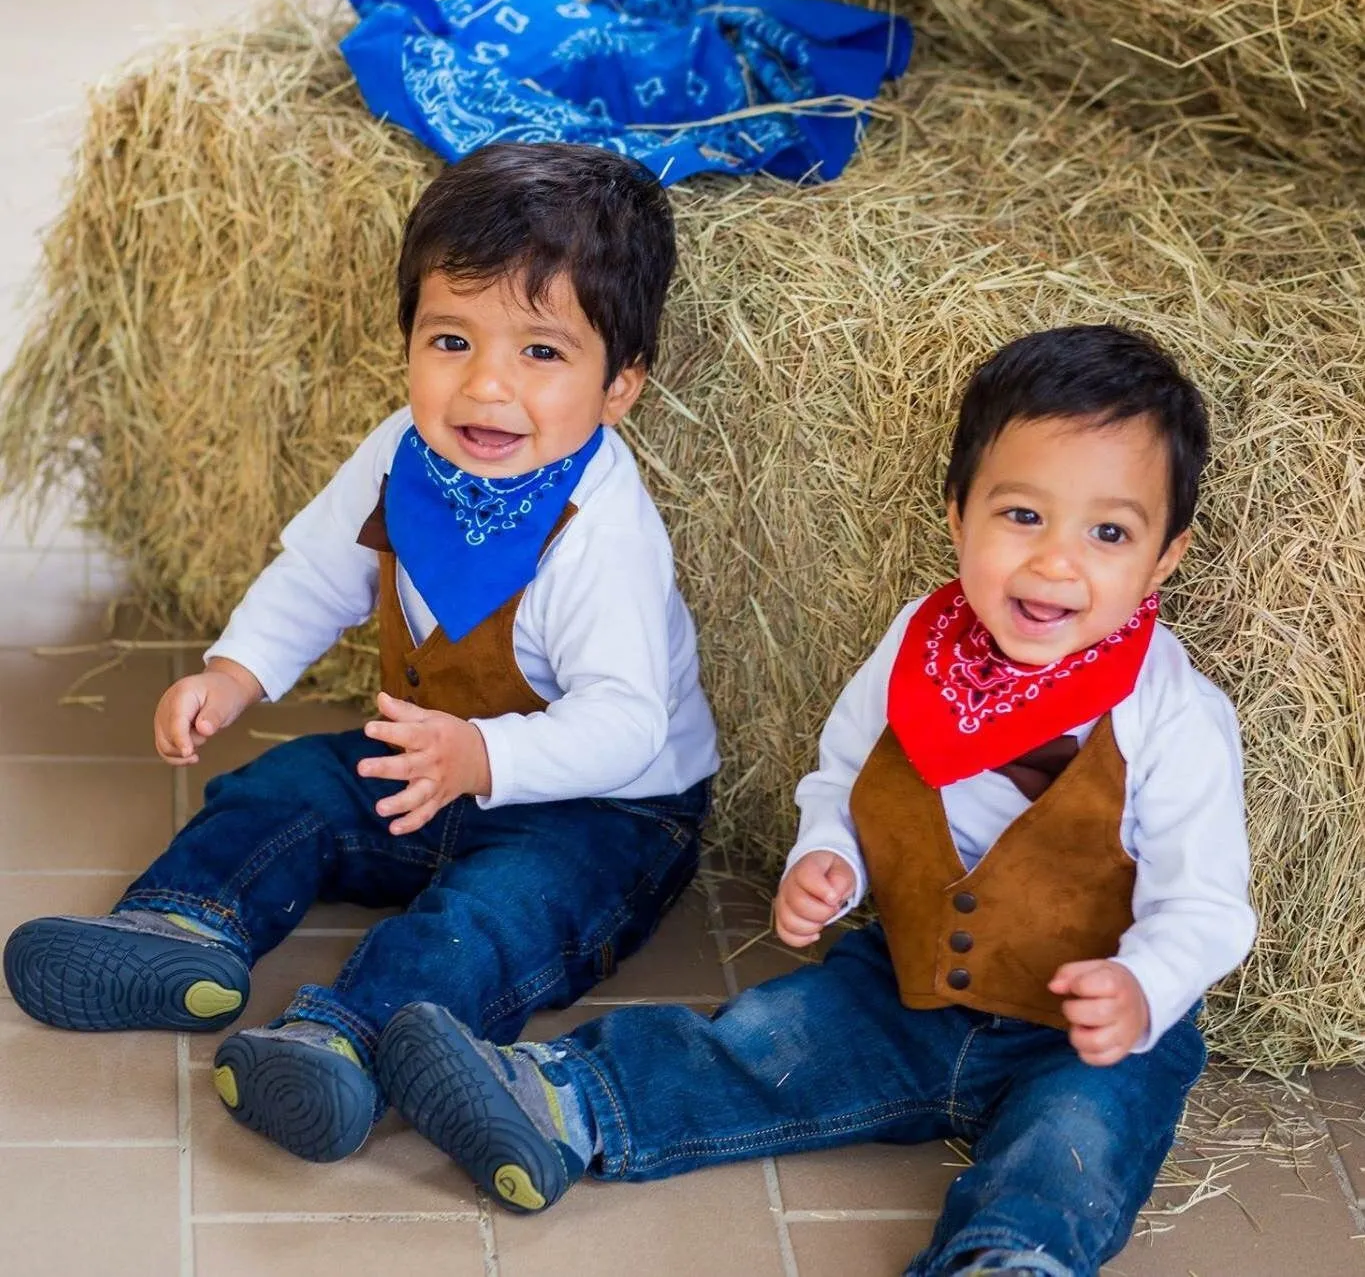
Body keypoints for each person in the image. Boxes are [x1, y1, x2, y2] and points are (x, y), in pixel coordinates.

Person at [370, 325, 1257, 1277]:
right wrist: (824, 856)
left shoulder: (1172, 716)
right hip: (905, 984)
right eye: (1021, 516)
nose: (1053, 564)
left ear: (1165, 557)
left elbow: (1205, 906)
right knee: (765, 1040)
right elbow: (846, 778)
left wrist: (1142, 986)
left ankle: (1008, 1259)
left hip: (1092, 1033)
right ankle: (565, 1103)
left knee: (1079, 1143)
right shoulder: (917, 647)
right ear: (959, 515)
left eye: (1109, 532)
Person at [3, 142, 719, 1168]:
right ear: (409, 341)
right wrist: (235, 670)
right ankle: (184, 927)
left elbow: (626, 724)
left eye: (543, 354)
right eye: (452, 339)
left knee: (485, 918)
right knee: (284, 789)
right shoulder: (401, 456)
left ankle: (346, 1040)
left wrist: (484, 759)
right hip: (435, 760)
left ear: (619, 389)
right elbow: (315, 575)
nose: (487, 386)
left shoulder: (599, 533)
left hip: (606, 810)